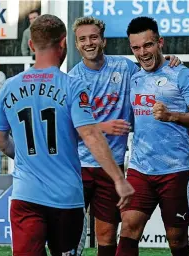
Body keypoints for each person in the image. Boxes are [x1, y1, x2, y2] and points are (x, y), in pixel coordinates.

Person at [0, 14, 134, 256]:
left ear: (30, 45)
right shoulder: (72, 85)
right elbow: (89, 133)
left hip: (26, 195)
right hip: (66, 197)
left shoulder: (9, 87)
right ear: (64, 44)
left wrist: (29, 158)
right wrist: (119, 179)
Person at [69, 16, 181, 256]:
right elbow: (66, 127)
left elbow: (151, 67)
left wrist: (169, 60)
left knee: (107, 235)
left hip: (112, 167)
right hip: (78, 165)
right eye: (82, 39)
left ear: (103, 40)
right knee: (69, 237)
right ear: (76, 45)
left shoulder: (124, 67)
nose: (89, 43)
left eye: (93, 37)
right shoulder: (71, 79)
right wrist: (102, 127)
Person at [116, 16, 189, 256]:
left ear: (160, 42)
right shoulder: (133, 77)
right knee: (128, 228)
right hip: (140, 169)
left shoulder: (182, 74)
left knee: (176, 239)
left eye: (148, 45)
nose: (142, 52)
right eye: (136, 47)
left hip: (175, 170)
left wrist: (173, 116)